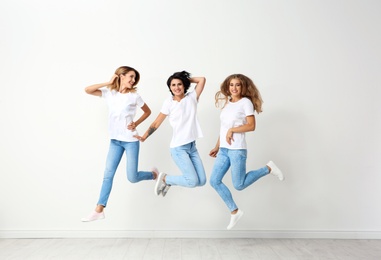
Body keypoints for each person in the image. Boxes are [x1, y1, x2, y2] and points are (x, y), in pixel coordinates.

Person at [209, 74, 285, 230]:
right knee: (214, 181)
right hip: (224, 149)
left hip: (237, 150)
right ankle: (234, 211)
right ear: (227, 87)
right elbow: (223, 128)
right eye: (231, 85)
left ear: (243, 87)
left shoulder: (246, 103)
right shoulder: (227, 104)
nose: (234, 88)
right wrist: (217, 146)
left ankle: (268, 168)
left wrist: (232, 130)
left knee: (239, 184)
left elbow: (251, 126)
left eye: (238, 85)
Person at [81, 66, 155, 222]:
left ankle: (153, 175)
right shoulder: (110, 93)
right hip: (115, 141)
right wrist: (108, 82)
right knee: (107, 175)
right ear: (120, 76)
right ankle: (99, 209)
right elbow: (87, 90)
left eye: (135, 78)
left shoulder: (134, 96)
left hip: (131, 140)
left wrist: (136, 123)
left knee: (132, 177)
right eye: (130, 76)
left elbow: (148, 111)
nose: (133, 80)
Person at [135, 71, 206, 197]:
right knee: (192, 181)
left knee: (201, 181)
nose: (176, 87)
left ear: (184, 85)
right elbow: (157, 122)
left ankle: (168, 182)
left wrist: (184, 78)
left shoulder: (192, 97)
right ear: (170, 88)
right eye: (173, 85)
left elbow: (202, 79)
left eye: (179, 84)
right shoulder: (169, 103)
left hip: (192, 147)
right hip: (178, 148)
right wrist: (144, 136)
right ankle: (165, 179)